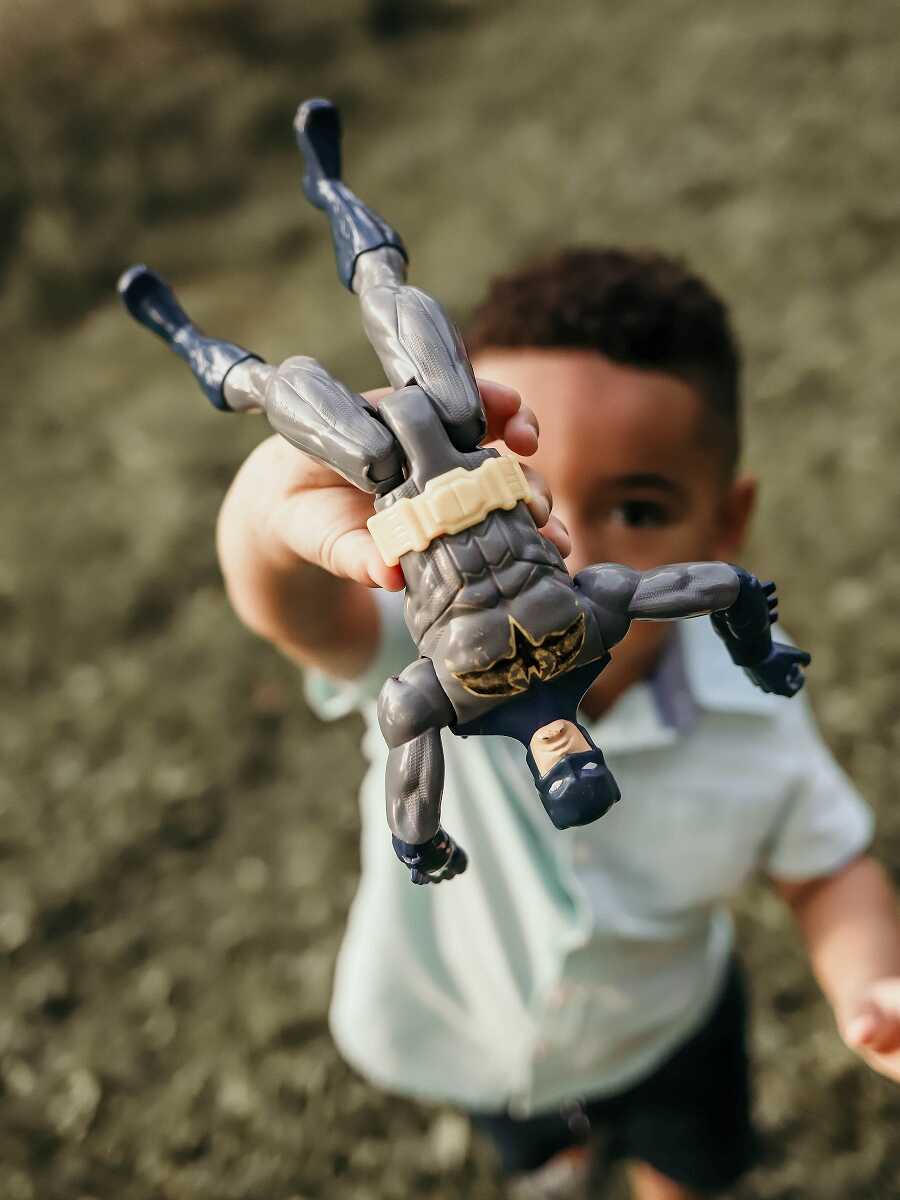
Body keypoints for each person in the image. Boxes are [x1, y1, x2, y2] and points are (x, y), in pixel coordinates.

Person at [216, 247, 900, 1199]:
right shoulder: (418, 663)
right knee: (532, 1149)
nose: (566, 542)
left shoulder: (748, 720)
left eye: (636, 505)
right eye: (531, 484)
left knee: (690, 1169)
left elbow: (828, 867)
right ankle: (558, 1162)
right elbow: (290, 609)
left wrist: (874, 987)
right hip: (474, 1029)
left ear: (727, 517)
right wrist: (263, 512)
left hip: (668, 1029)